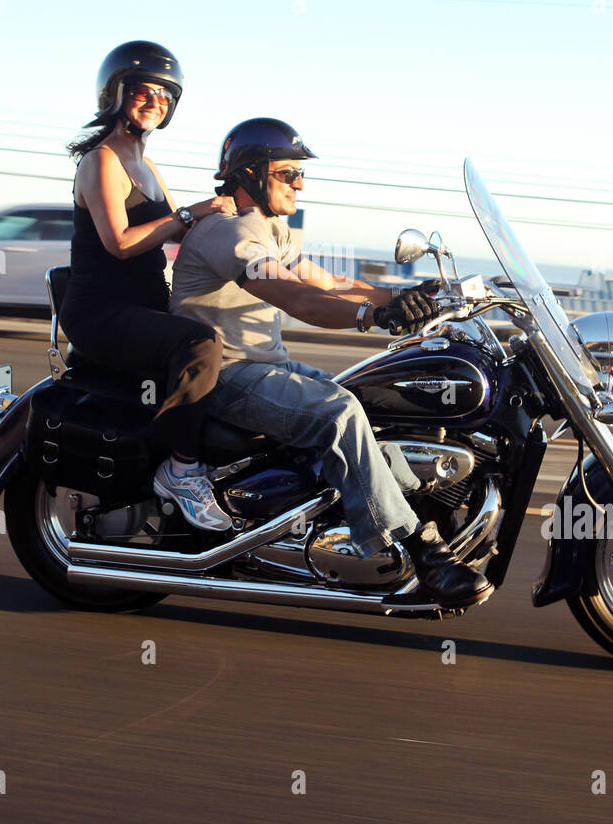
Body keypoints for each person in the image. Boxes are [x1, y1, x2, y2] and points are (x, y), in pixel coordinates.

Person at [169, 118, 493, 609]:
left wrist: (409, 295)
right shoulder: (225, 231)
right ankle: (420, 552)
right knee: (338, 413)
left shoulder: (270, 228)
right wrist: (373, 315)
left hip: (264, 365)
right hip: (228, 376)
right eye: (288, 173)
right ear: (251, 172)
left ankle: (417, 504)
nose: (300, 183)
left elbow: (328, 283)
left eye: (300, 173)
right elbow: (295, 297)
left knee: (365, 400)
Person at [60, 40, 237, 530]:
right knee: (200, 345)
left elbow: (180, 229)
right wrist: (188, 213)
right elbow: (119, 242)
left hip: (142, 303)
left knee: (224, 337)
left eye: (165, 96)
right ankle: (182, 471)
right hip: (102, 311)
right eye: (143, 91)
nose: (154, 103)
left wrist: (238, 230)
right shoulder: (102, 161)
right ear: (115, 94)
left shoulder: (146, 165)